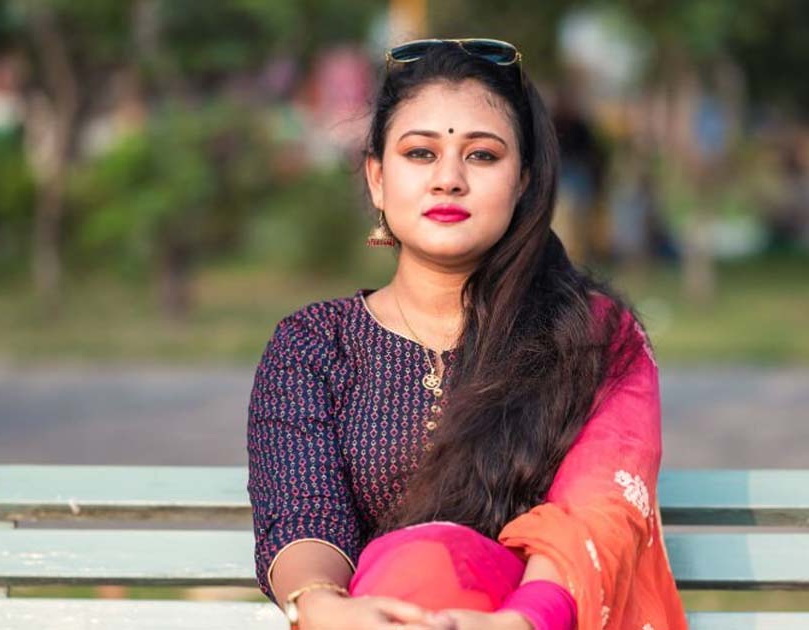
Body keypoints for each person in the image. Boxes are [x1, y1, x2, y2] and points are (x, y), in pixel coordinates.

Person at [247, 38, 687, 630]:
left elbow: (596, 514)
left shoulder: (593, 340)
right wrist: (323, 606)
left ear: (524, 181)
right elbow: (305, 514)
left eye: (481, 156)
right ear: (377, 179)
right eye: (420, 154)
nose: (449, 179)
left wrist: (517, 622)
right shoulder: (314, 346)